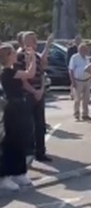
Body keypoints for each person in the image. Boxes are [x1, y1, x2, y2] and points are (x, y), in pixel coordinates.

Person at [0, 44, 36, 191]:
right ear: (8, 56)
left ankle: (19, 172)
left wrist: (29, 60)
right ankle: (4, 176)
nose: (16, 54)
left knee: (21, 139)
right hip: (12, 108)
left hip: (19, 106)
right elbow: (30, 74)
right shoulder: (7, 72)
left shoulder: (12, 70)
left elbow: (27, 73)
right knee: (11, 141)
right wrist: (33, 58)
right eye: (13, 52)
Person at [17, 31, 53, 163]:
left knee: (40, 125)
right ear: (25, 42)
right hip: (27, 95)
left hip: (39, 94)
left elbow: (42, 73)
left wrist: (41, 90)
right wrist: (33, 91)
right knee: (27, 126)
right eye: (32, 40)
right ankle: (28, 153)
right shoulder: (19, 57)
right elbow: (22, 79)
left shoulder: (36, 56)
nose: (35, 42)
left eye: (35, 40)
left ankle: (40, 152)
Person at [68, 43, 91, 121]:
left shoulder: (87, 58)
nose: (85, 51)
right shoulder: (74, 57)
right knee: (77, 99)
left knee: (86, 99)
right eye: (83, 49)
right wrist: (73, 81)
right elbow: (71, 70)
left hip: (87, 80)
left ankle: (85, 114)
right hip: (78, 80)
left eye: (86, 49)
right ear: (79, 50)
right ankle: (76, 114)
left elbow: (90, 69)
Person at [67, 35, 82, 99]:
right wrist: (69, 67)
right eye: (77, 40)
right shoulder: (71, 49)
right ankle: (72, 94)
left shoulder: (82, 49)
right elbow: (68, 58)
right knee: (73, 81)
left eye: (79, 40)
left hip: (80, 67)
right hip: (72, 66)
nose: (78, 42)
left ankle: (79, 94)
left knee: (80, 81)